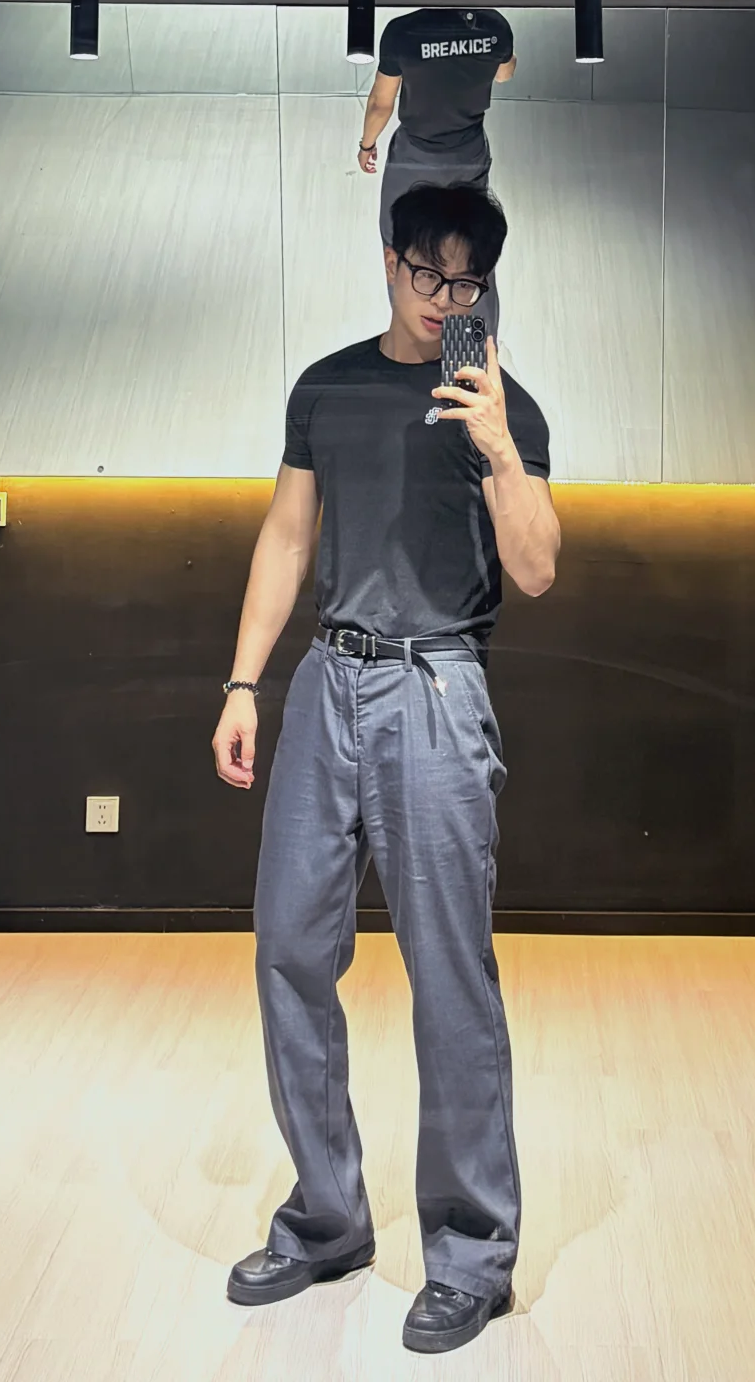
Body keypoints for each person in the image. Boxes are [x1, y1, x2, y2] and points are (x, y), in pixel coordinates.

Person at [212, 182, 559, 1356]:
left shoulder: (506, 407)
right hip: (328, 680)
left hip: (438, 685)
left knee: (449, 972)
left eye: (467, 283)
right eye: (427, 273)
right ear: (390, 260)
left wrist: (499, 446)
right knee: (287, 948)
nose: (443, 299)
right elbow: (286, 536)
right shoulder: (326, 388)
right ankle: (327, 1220)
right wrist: (244, 682)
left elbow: (538, 568)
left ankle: (471, 1255)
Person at [358, 8, 516, 342]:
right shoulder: (494, 25)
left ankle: (416, 339)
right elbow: (504, 73)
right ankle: (476, 347)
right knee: (474, 248)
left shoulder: (403, 31)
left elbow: (380, 104)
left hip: (415, 156)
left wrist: (366, 144)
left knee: (401, 245)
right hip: (467, 152)